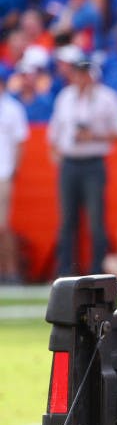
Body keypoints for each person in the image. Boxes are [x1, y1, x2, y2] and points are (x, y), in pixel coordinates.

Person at [47, 56, 117, 276]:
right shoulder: (65, 97)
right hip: (70, 163)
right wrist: (56, 154)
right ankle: (65, 272)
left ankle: (97, 270)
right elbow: (54, 132)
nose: (82, 78)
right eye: (78, 73)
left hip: (93, 163)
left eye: (85, 73)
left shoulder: (106, 98)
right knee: (67, 220)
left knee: (95, 220)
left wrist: (94, 135)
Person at [0, 74, 28, 283]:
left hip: (3, 172)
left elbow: (20, 142)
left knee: (3, 226)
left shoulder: (12, 108)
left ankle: (10, 271)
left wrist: (14, 170)